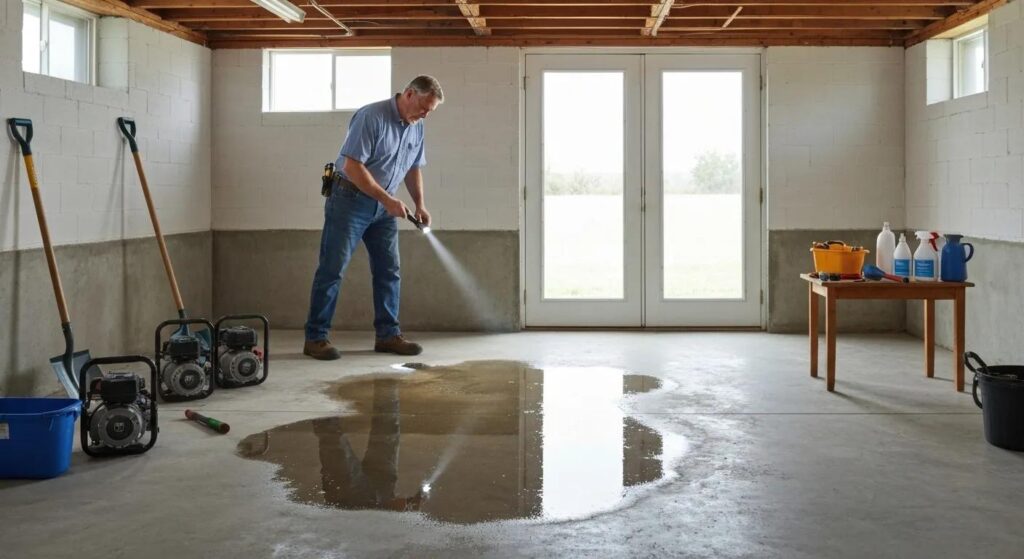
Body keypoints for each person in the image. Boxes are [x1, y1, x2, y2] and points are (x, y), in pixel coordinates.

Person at [304, 76, 443, 360]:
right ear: (408, 94)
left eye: (431, 111)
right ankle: (315, 338)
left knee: (389, 270)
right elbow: (352, 166)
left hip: (384, 208)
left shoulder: (417, 126)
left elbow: (413, 166)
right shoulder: (372, 116)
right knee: (332, 269)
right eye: (424, 107)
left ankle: (388, 335)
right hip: (349, 201)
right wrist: (386, 199)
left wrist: (420, 204)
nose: (426, 114)